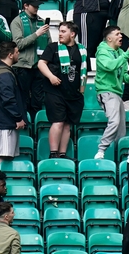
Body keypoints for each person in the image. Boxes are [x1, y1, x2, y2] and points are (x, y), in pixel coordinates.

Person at [38, 21, 86, 160]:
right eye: (59, 31)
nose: (60, 34)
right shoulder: (53, 47)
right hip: (55, 91)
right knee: (58, 121)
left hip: (73, 92)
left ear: (73, 34)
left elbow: (83, 70)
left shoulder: (81, 49)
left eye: (63, 31)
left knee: (67, 124)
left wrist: (81, 90)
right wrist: (51, 77)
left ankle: (63, 154)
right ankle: (53, 153)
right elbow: (41, 63)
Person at [94, 25, 129, 159]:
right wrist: (127, 54)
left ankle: (119, 157)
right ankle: (101, 150)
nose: (121, 36)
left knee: (121, 128)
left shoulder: (120, 52)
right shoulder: (102, 51)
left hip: (117, 93)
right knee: (114, 121)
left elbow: (123, 74)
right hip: (106, 91)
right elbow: (109, 66)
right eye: (118, 34)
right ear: (109, 38)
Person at [9, 0, 51, 119]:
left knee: (37, 101)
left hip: (39, 67)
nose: (37, 8)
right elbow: (18, 44)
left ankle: (35, 128)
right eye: (34, 6)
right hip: (23, 67)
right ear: (25, 6)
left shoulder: (41, 21)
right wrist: (36, 34)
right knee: (23, 100)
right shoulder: (17, 21)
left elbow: (49, 43)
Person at [0, 41, 27, 169]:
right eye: (16, 52)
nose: (18, 54)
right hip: (4, 123)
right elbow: (8, 99)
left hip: (2, 121)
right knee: (2, 156)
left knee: (7, 156)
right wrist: (18, 118)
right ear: (10, 55)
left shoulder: (0, 70)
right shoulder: (4, 74)